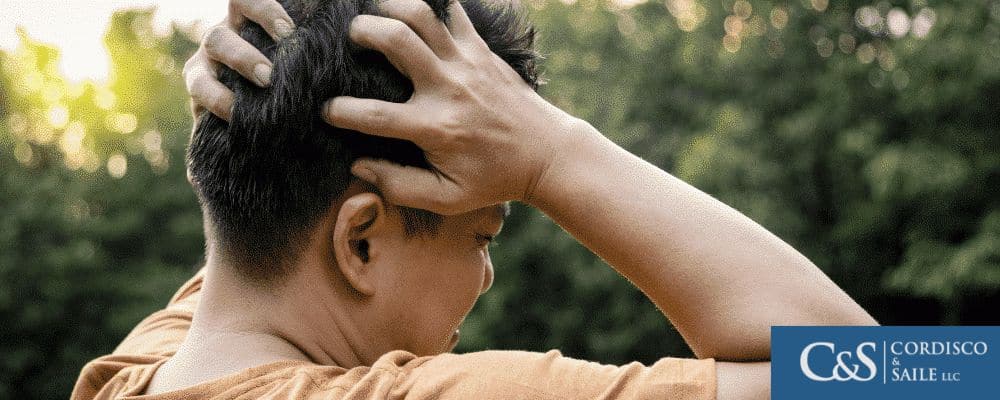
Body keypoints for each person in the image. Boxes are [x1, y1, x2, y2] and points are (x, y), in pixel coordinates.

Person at [71, 0, 879, 398]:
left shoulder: (131, 369)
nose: (486, 278)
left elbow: (262, 218)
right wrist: (550, 153)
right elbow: (902, 377)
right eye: (484, 236)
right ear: (360, 242)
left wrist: (266, 76)